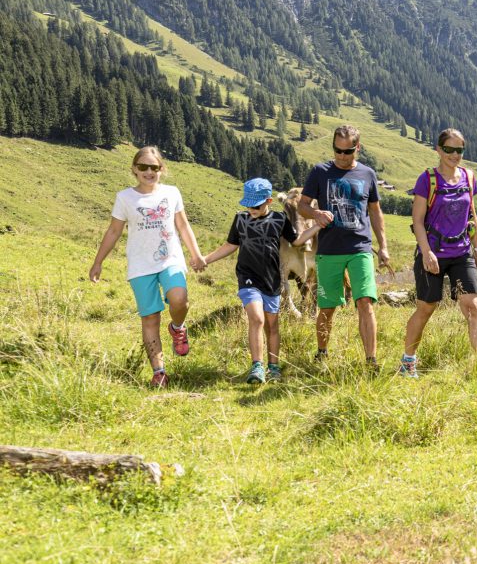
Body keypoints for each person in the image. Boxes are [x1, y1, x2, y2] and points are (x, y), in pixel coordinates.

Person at [89, 146, 206, 387]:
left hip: (169, 259)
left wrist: (195, 254)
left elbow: (183, 226)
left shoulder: (172, 193)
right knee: (150, 319)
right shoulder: (125, 198)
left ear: (162, 169)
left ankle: (177, 327)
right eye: (143, 167)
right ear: (134, 169)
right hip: (140, 265)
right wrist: (98, 262)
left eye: (154, 167)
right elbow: (114, 231)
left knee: (179, 299)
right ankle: (159, 372)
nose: (149, 171)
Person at [201, 178, 321, 384]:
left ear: (268, 201)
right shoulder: (240, 219)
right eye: (248, 204)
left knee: (272, 326)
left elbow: (297, 241)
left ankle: (273, 367)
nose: (252, 208)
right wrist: (206, 259)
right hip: (248, 277)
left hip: (272, 279)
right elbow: (230, 245)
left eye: (256, 205)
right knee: (257, 318)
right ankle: (257, 366)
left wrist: (317, 225)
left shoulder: (279, 219)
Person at [400, 129, 477, 378]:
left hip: (461, 252)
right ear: (439, 150)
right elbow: (417, 220)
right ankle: (408, 362)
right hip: (433, 252)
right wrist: (426, 252)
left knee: (473, 305)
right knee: (426, 307)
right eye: (449, 149)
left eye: (459, 150)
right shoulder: (428, 179)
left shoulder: (468, 176)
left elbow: (472, 216)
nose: (454, 155)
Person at [298, 126, 390, 369]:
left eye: (347, 151)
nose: (341, 155)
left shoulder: (368, 174)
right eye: (337, 150)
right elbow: (302, 206)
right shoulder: (319, 172)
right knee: (327, 306)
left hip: (360, 247)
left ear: (357, 148)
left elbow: (375, 212)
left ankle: (371, 361)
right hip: (328, 251)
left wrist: (383, 246)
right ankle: (322, 354)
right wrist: (316, 213)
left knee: (365, 303)